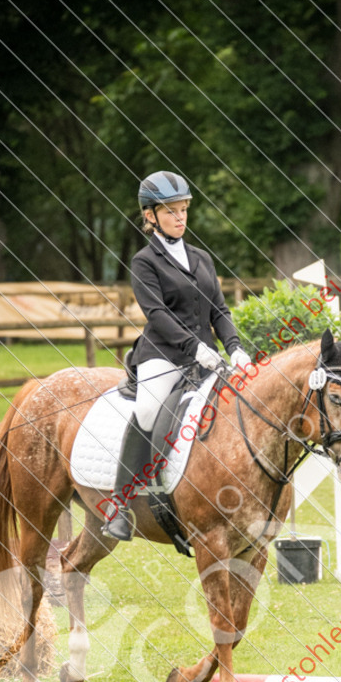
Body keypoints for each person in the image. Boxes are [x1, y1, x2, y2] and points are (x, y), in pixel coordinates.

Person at [103, 170, 251, 541]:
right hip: (164, 354)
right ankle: (120, 504)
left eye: (184, 209)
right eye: (171, 211)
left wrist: (235, 348)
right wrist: (195, 348)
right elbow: (157, 315)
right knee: (151, 408)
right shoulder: (144, 261)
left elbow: (219, 310)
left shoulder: (202, 258)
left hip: (208, 356)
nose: (180, 217)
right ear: (150, 215)